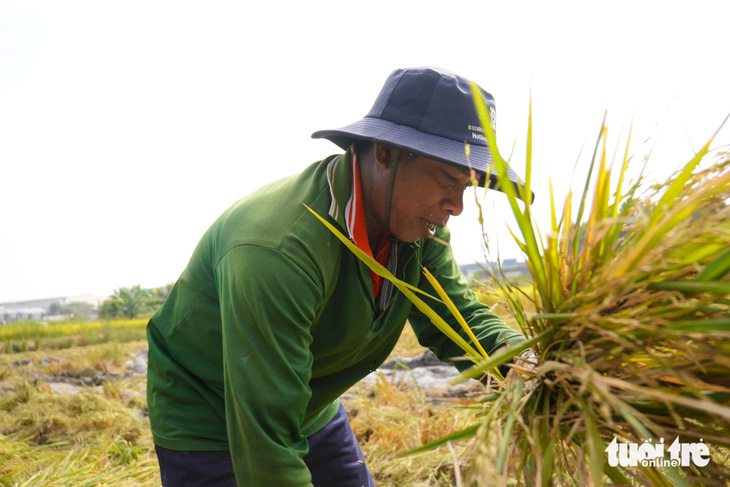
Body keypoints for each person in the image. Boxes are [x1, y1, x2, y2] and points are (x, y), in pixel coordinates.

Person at [146, 66, 534, 486]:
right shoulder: (278, 250)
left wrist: (531, 370)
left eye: (468, 185)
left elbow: (458, 319)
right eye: (447, 178)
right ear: (385, 153)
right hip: (208, 412)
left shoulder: (417, 228)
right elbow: (267, 445)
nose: (456, 205)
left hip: (306, 399)